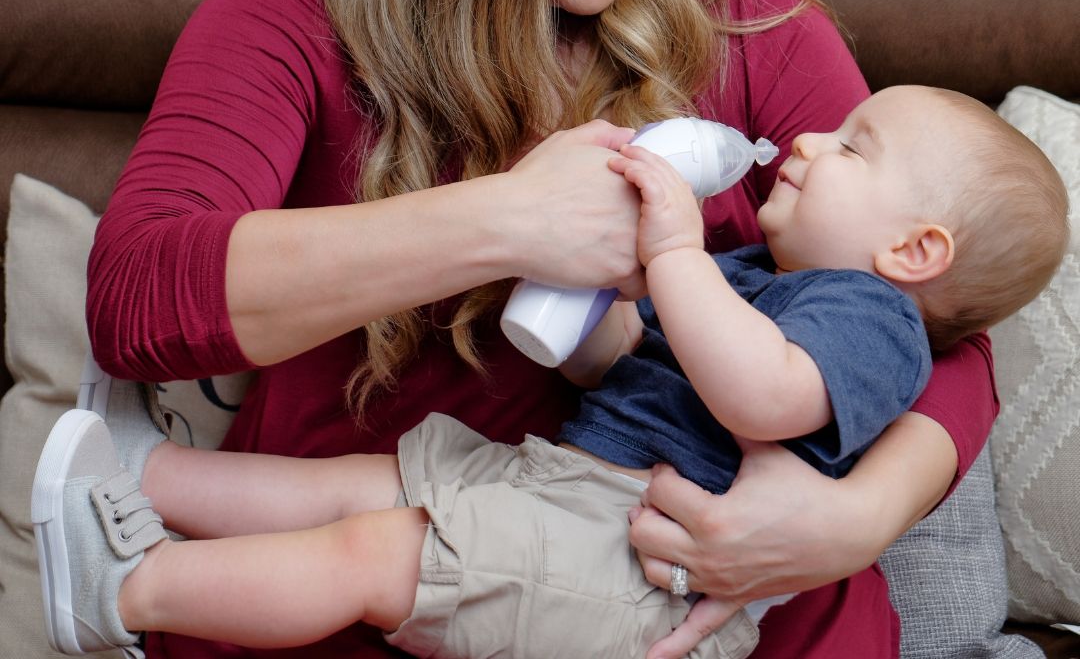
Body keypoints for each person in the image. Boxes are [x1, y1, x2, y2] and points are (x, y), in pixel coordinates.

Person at [64, 0, 1004, 659]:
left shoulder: (748, 16)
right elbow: (138, 295)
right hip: (368, 584)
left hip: (699, 607)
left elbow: (938, 309)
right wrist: (503, 222)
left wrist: (856, 516)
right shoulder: (295, 9)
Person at [33, 85, 1069, 658]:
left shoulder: (871, 318)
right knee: (370, 477)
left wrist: (673, 253)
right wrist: (588, 316)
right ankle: (148, 476)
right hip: (575, 488)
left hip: (634, 571)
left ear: (917, 254)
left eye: (853, 146)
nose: (806, 138)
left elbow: (764, 397)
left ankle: (128, 594)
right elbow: (642, 365)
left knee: (371, 550)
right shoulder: (766, 273)